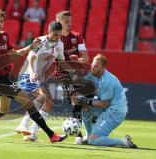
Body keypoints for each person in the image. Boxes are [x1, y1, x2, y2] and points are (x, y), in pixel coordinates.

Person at [0, 9, 66, 143]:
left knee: (2, 110)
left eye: (1, 21)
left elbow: (15, 53)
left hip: (7, 77)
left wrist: (30, 47)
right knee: (28, 102)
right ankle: (51, 135)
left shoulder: (4, 36)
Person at [15, 21, 65, 141]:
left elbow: (61, 61)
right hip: (28, 73)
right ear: (49, 32)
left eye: (59, 35)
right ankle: (23, 124)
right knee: (43, 97)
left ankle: (32, 133)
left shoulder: (60, 45)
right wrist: (32, 72)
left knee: (48, 102)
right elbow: (31, 57)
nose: (56, 37)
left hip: (40, 77)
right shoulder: (40, 41)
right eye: (54, 34)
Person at [80, 54, 137, 148]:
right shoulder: (95, 75)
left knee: (93, 141)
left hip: (115, 112)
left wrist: (86, 101)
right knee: (85, 108)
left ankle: (123, 141)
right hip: (108, 109)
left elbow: (103, 104)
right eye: (92, 65)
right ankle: (88, 136)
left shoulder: (107, 81)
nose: (92, 68)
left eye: (95, 66)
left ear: (102, 68)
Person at [56, 10, 89, 144]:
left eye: (70, 21)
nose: (69, 24)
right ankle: (78, 135)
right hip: (64, 75)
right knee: (76, 99)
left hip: (78, 75)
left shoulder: (77, 36)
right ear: (59, 22)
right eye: (66, 22)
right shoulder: (55, 39)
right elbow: (59, 62)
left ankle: (86, 134)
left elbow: (86, 57)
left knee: (83, 105)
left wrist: (78, 60)